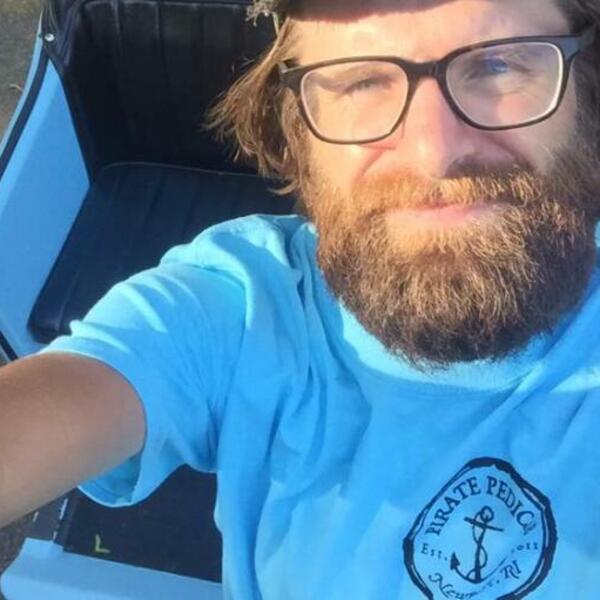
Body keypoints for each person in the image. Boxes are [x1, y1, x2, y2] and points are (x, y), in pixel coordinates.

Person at [1, 0, 600, 597]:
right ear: (298, 131)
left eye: (497, 66)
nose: (434, 154)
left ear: (585, 92)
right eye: (362, 82)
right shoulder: (245, 306)